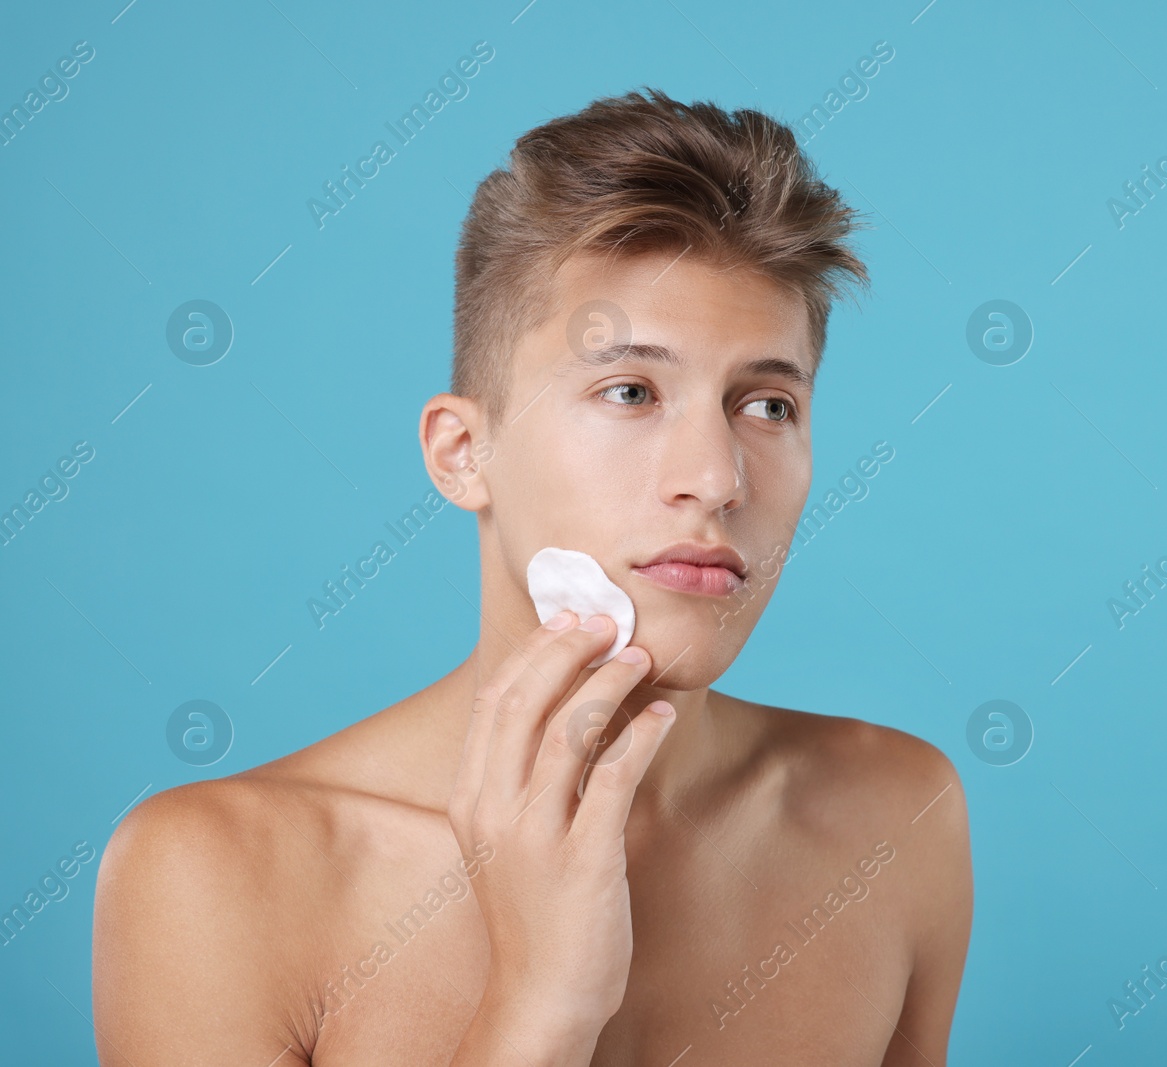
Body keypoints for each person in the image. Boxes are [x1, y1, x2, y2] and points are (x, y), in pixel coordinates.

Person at [91, 87, 972, 1066]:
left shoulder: (894, 816)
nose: (717, 479)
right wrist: (540, 1004)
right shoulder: (217, 876)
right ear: (464, 452)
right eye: (630, 390)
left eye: (765, 405)